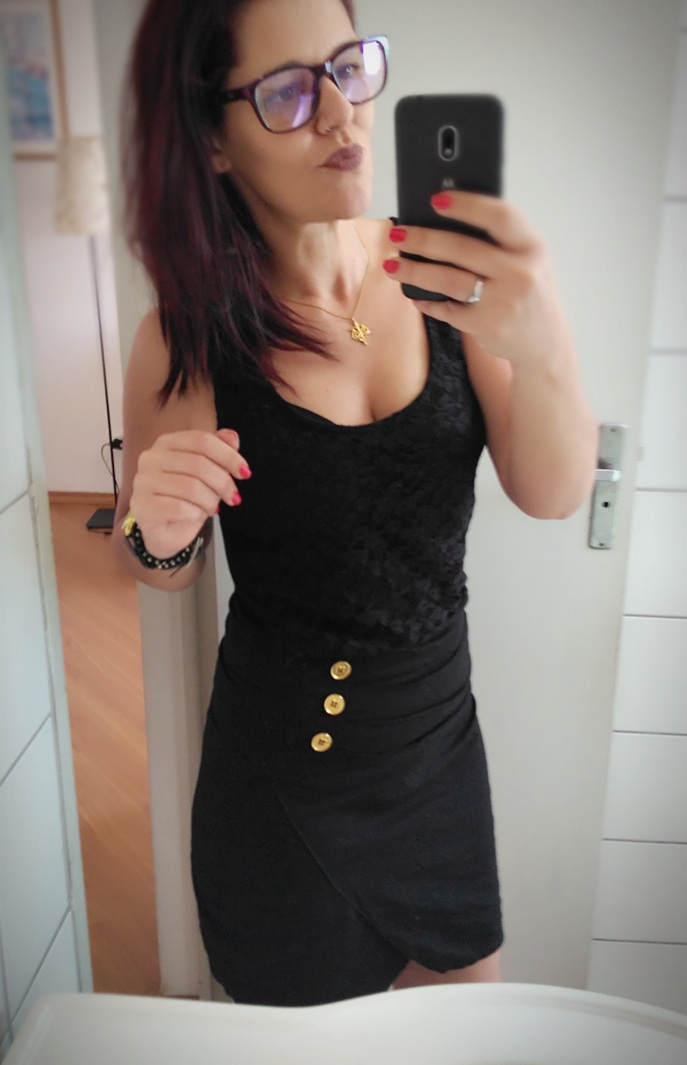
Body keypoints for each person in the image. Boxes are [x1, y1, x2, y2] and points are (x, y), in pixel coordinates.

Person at [114, 0, 598, 1007]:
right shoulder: (188, 332)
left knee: (465, 1039)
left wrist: (546, 337)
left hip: (435, 764)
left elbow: (553, 494)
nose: (341, 112)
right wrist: (154, 533)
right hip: (277, 795)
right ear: (213, 139)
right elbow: (163, 568)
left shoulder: (448, 275)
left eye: (349, 65)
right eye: (289, 91)